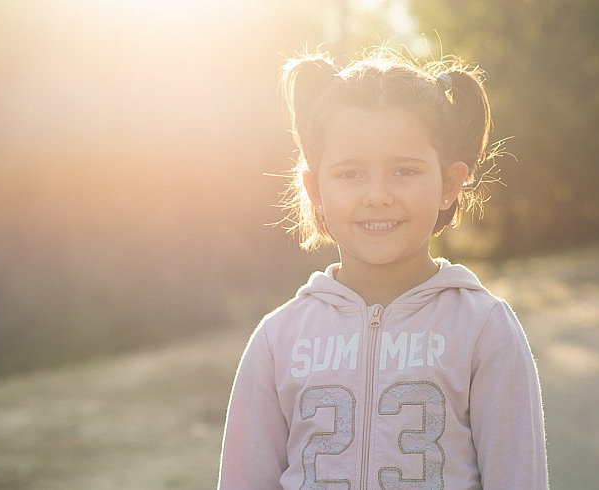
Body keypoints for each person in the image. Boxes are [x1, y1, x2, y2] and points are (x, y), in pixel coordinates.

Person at [219, 47, 548, 489]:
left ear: (449, 183)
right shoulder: (278, 340)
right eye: (350, 174)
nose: (377, 195)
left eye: (404, 171)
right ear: (315, 187)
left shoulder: (484, 329)